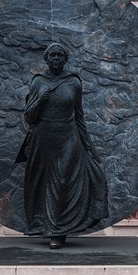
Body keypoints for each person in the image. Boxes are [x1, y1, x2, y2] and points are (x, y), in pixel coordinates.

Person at [15, 43, 108, 249]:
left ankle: (60, 229)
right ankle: (50, 230)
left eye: (60, 55)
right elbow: (29, 118)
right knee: (45, 184)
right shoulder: (38, 82)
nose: (56, 58)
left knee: (65, 183)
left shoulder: (73, 82)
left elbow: (80, 117)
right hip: (43, 140)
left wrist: (90, 148)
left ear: (65, 59)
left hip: (68, 139)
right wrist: (39, 100)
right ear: (47, 59)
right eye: (52, 55)